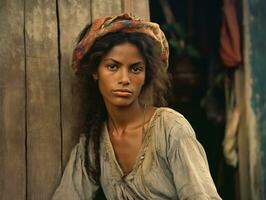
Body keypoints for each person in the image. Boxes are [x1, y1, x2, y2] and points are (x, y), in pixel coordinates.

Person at [52, 13, 222, 200]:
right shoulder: (93, 143)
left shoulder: (170, 128)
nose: (125, 79)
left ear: (145, 75)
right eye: (113, 67)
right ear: (94, 71)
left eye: (135, 69)